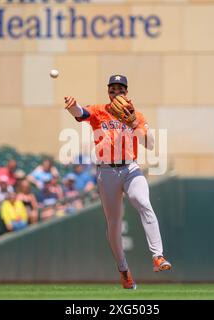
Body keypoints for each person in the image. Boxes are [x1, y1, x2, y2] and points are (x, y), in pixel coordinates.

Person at [63, 74, 172, 289]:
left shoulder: (136, 115)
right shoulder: (98, 110)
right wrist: (72, 107)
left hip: (130, 167)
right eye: (112, 89)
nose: (116, 93)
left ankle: (158, 256)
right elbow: (81, 113)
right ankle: (123, 269)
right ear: (108, 92)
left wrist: (133, 122)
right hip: (107, 172)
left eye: (120, 90)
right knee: (114, 222)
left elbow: (149, 144)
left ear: (126, 93)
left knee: (143, 203)